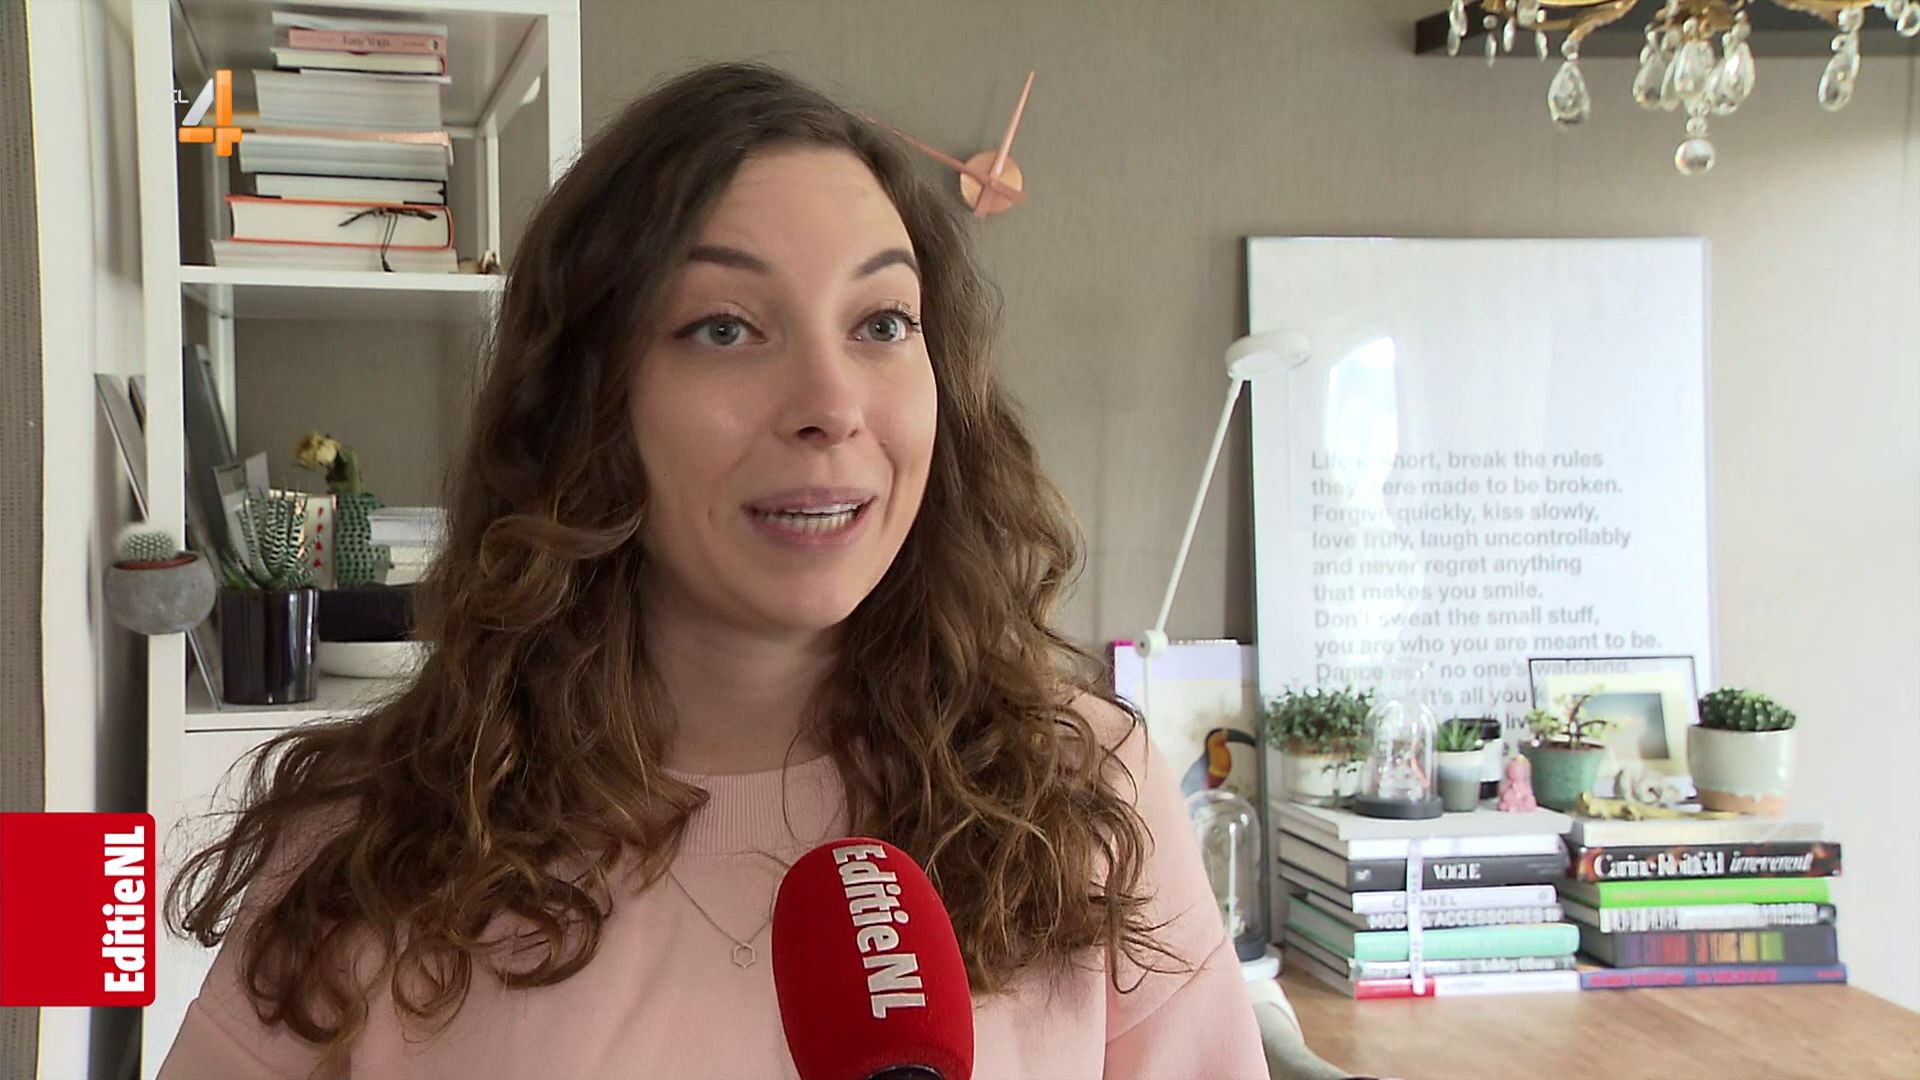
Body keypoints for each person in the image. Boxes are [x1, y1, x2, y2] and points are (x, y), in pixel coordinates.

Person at [156, 62, 1265, 1079]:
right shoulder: (368, 845)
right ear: (588, 401)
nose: (832, 406)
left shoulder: (1087, 797)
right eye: (725, 329)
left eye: (883, 321)